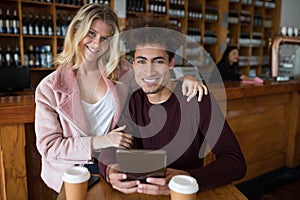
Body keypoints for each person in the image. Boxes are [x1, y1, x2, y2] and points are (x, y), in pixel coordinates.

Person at [34, 4, 207, 193]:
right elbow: (49, 147)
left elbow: (153, 73)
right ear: (76, 31)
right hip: (71, 174)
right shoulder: (49, 88)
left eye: (105, 38)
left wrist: (187, 78)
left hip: (115, 166)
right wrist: (102, 141)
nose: (96, 44)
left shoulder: (123, 72)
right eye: (91, 33)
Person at [100, 16, 247, 195]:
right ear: (133, 64)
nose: (149, 71)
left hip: (183, 195)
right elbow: (110, 146)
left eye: (158, 61)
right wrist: (110, 171)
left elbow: (235, 162)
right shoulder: (133, 101)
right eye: (141, 61)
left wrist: (187, 178)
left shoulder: (196, 98)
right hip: (142, 194)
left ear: (171, 63)